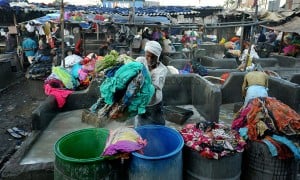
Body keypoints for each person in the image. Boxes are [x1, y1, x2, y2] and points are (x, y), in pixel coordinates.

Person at [135, 41, 168, 126]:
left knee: (158, 125)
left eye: (152, 57)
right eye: (147, 56)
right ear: (145, 54)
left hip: (154, 104)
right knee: (141, 126)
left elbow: (153, 88)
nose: (149, 59)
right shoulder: (140, 61)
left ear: (158, 57)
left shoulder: (162, 70)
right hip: (141, 103)